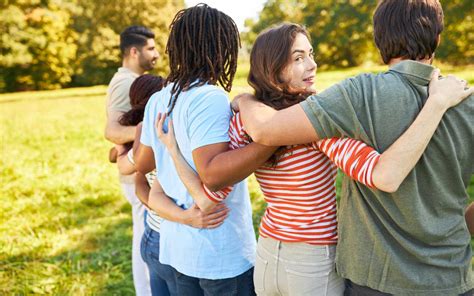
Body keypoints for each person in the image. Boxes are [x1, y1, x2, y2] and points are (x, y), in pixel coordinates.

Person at [155, 22, 471, 296]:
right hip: (311, 263)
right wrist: (437, 104)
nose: (312, 65)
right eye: (298, 58)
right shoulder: (319, 126)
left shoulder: (242, 122)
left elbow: (206, 199)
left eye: (311, 55)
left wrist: (172, 150)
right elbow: (381, 174)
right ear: (273, 69)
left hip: (267, 258)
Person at [236, 1, 474, 295]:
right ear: (438, 37)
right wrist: (451, 229)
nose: (311, 64)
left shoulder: (358, 94)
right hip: (451, 278)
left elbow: (265, 130)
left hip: (374, 280)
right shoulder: (468, 103)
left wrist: (244, 100)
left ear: (379, 40)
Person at [134, 4, 276, 295]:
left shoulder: (160, 99)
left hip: (180, 251)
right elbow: (213, 174)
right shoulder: (209, 97)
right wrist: (270, 140)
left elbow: (144, 163)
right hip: (220, 254)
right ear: (218, 49)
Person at [115, 74, 230, 296]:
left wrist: (119, 153)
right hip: (167, 234)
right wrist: (181, 215)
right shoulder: (157, 127)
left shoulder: (147, 130)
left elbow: (139, 182)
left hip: (154, 231)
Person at [104, 25, 159, 296]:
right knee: (145, 237)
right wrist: (149, 135)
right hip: (136, 172)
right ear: (134, 51)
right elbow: (112, 130)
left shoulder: (133, 79)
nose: (156, 54)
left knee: (147, 233)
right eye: (150, 48)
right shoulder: (125, 81)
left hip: (138, 166)